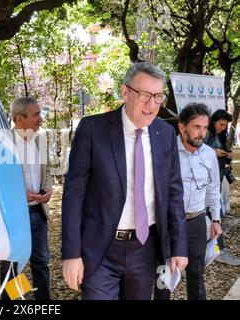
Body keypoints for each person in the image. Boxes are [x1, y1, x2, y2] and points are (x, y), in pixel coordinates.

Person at [61, 62, 188, 300]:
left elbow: (174, 194)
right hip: (100, 248)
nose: (151, 105)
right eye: (144, 95)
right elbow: (73, 195)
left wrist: (179, 247)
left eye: (158, 96)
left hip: (145, 249)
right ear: (125, 92)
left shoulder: (166, 134)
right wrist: (71, 255)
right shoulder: (92, 129)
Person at [155, 103, 223, 300]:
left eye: (204, 127)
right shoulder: (166, 152)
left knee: (196, 274)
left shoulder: (209, 154)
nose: (201, 133)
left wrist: (216, 219)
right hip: (168, 223)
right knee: (164, 276)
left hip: (196, 222)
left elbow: (213, 189)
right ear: (182, 127)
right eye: (196, 127)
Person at [0, 97, 53, 300]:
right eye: (36, 114)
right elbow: (0, 182)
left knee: (41, 263)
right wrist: (20, 195)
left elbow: (47, 171)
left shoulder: (41, 139)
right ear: (19, 118)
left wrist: (48, 190)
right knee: (13, 266)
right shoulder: (3, 143)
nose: (41, 119)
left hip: (38, 214)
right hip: (15, 216)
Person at [205, 109, 240, 266]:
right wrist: (213, 152)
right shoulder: (205, 133)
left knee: (213, 216)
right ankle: (219, 250)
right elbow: (195, 151)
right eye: (221, 124)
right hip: (203, 184)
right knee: (213, 215)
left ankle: (214, 249)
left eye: (225, 126)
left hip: (215, 181)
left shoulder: (220, 135)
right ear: (213, 121)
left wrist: (227, 155)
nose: (223, 128)